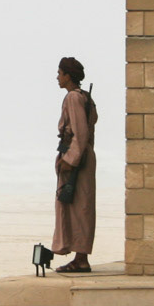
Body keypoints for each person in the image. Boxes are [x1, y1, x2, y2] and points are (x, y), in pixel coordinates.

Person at [51, 56, 97, 272]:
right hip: (81, 156)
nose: (57, 77)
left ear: (68, 76)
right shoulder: (83, 97)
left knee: (79, 207)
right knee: (79, 207)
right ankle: (79, 256)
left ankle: (81, 259)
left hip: (77, 159)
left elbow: (80, 132)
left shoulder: (73, 98)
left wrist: (70, 160)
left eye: (60, 73)